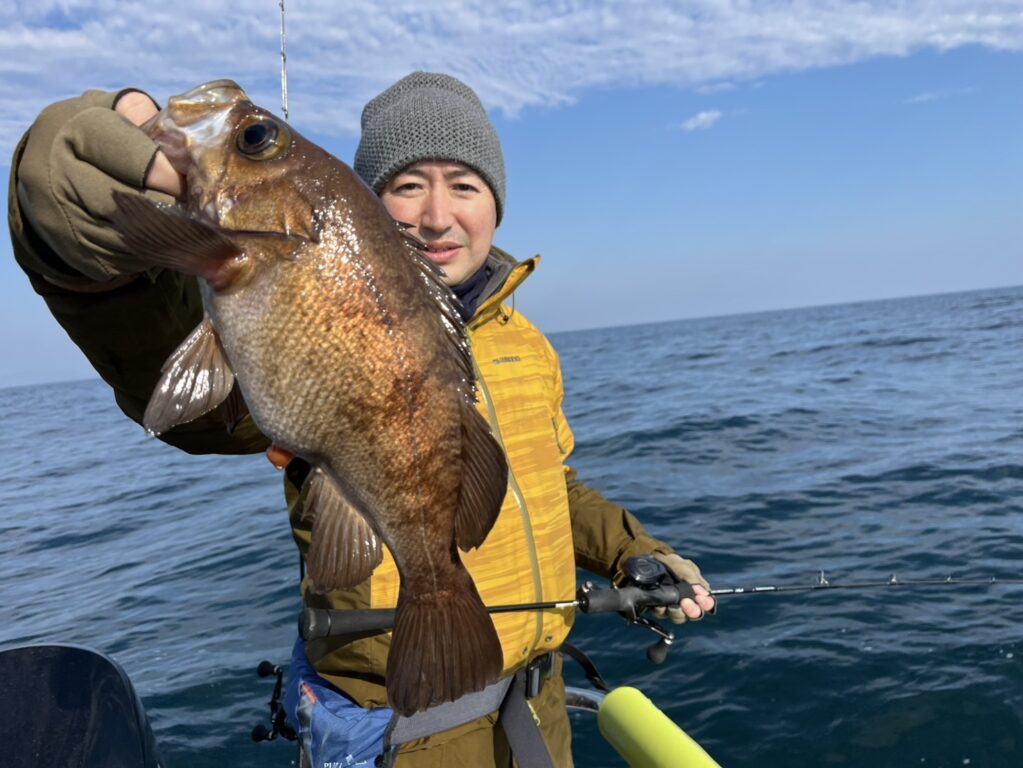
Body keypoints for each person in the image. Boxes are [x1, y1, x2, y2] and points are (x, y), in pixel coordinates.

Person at [8, 72, 716, 766]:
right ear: (367, 205)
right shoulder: (288, 293)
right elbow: (198, 406)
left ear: (496, 206)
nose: (436, 214)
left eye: (464, 186)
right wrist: (70, 243)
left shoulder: (526, 344)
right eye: (407, 185)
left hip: (538, 716)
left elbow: (549, 489)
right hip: (396, 735)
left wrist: (633, 551)